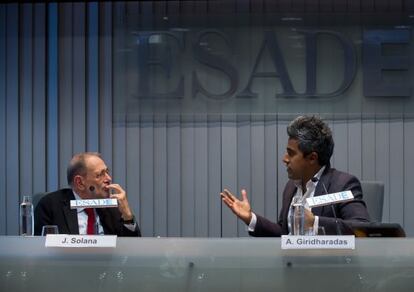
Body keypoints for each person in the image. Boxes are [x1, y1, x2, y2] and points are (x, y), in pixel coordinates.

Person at [220, 115, 370, 236]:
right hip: (293, 268)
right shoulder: (291, 187)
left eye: (291, 153)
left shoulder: (342, 185)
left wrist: (315, 222)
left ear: (312, 158)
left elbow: (362, 227)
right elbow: (284, 233)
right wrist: (251, 218)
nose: (284, 159)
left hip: (329, 269)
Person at [34, 152, 141, 236]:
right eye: (100, 175)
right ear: (80, 183)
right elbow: (41, 251)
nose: (109, 179)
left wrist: (127, 216)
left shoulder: (112, 206)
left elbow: (133, 250)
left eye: (107, 172)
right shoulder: (50, 206)